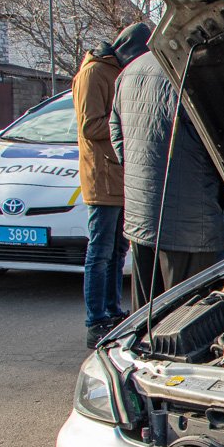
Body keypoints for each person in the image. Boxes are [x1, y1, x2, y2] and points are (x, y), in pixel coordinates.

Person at [110, 51, 224, 309]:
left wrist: (143, 173)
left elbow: (116, 132)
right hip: (191, 220)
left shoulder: (131, 70)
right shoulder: (194, 71)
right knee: (185, 319)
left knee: (144, 316)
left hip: (141, 212)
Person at [73, 21, 151, 348]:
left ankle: (112, 311)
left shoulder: (116, 72)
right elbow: (91, 126)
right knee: (100, 251)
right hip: (102, 177)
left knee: (119, 250)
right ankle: (96, 321)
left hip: (120, 177)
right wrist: (128, 122)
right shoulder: (94, 73)